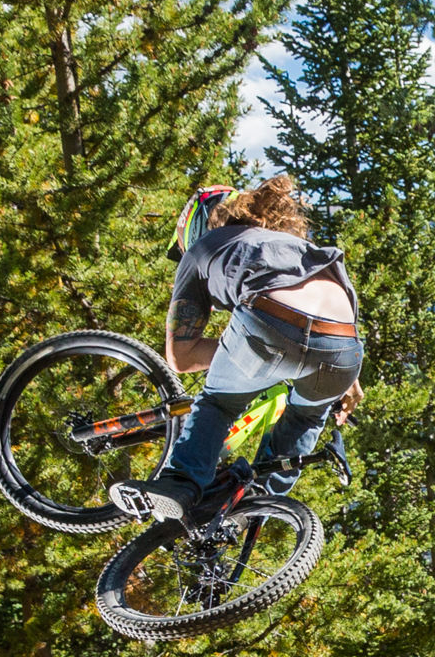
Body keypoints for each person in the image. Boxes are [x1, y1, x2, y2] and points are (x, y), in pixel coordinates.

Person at [127, 175, 364, 525]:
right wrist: (350, 382)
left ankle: (180, 483)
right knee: (306, 417)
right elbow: (336, 323)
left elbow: (180, 357)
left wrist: (236, 357)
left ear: (195, 225)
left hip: (269, 320)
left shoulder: (203, 248)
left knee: (219, 402)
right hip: (344, 346)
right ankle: (255, 506)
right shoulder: (293, 247)